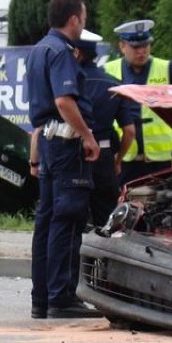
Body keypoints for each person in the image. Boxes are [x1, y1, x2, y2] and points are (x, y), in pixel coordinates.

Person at [26, 0, 102, 320]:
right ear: (74, 19)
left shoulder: (39, 49)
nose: (83, 23)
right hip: (67, 145)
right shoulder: (61, 52)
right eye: (83, 18)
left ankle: (41, 299)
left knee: (46, 222)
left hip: (48, 144)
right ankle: (62, 298)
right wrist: (87, 135)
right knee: (68, 220)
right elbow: (64, 102)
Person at [104, 19, 172, 183]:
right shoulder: (107, 70)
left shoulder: (167, 68)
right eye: (135, 47)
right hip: (122, 158)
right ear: (122, 46)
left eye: (145, 45)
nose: (141, 51)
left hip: (161, 160)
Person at [72, 28, 138, 228]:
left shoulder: (68, 84)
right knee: (106, 219)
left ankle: (75, 258)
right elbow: (130, 131)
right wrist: (118, 161)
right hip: (104, 157)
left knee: (73, 217)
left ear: (76, 52)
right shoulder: (113, 85)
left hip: (72, 154)